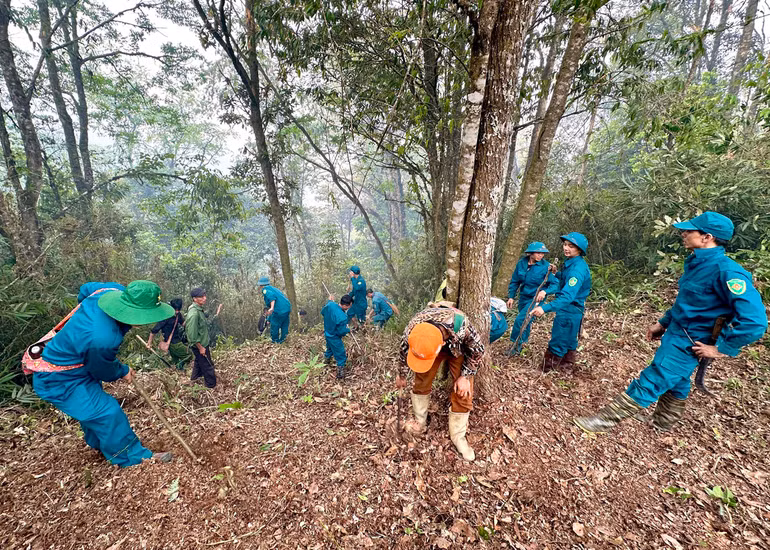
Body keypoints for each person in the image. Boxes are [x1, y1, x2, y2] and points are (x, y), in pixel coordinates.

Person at [575, 212, 767, 433]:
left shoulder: (727, 272)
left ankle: (602, 422)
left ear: (707, 237)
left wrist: (721, 348)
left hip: (691, 342)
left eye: (689, 231)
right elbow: (689, 301)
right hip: (677, 332)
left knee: (655, 377)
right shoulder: (696, 262)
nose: (683, 234)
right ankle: (663, 423)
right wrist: (663, 323)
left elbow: (755, 321)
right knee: (678, 380)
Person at [28, 281, 175, 467]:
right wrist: (123, 370)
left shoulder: (110, 291)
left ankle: (103, 444)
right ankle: (131, 457)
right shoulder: (103, 338)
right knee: (107, 412)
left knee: (93, 410)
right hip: (60, 378)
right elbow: (102, 369)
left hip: (79, 364)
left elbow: (85, 290)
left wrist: (85, 316)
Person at [396, 305, 485, 461]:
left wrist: (465, 376)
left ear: (441, 346)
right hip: (428, 346)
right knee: (422, 378)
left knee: (464, 390)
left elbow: (478, 351)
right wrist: (401, 375)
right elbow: (403, 353)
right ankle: (420, 421)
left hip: (457, 348)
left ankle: (458, 435)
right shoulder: (412, 330)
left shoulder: (462, 326)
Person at [531, 233, 592, 371]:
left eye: (571, 246)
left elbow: (567, 296)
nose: (566, 248)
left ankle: (547, 370)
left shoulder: (577, 270)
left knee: (559, 339)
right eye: (565, 244)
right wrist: (556, 273)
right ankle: (566, 368)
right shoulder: (573, 264)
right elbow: (565, 280)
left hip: (569, 309)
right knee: (570, 340)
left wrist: (544, 308)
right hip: (574, 310)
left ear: (580, 250)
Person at [506, 242, 559, 355]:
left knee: (521, 320)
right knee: (526, 321)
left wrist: (545, 291)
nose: (541, 255)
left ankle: (515, 347)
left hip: (536, 299)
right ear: (531, 253)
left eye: (543, 253)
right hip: (523, 297)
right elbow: (515, 281)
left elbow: (555, 284)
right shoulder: (522, 264)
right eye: (538, 253)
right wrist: (511, 297)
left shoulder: (546, 267)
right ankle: (522, 344)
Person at [146, 298, 191, 370]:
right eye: (175, 309)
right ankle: (179, 367)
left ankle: (178, 372)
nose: (176, 312)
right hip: (174, 343)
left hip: (177, 340)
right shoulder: (166, 316)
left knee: (176, 360)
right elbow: (154, 331)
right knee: (190, 356)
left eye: (178, 310)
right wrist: (149, 343)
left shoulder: (178, 315)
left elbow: (183, 323)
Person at [186, 287, 217, 388]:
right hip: (200, 345)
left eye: (204, 296)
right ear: (195, 299)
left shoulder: (198, 309)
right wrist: (200, 348)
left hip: (202, 343)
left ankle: (193, 382)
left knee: (199, 364)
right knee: (208, 367)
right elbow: (192, 334)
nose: (204, 298)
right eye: (201, 297)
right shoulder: (194, 313)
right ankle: (211, 386)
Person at [321, 294, 353, 379]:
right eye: (349, 306)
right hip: (334, 337)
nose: (349, 307)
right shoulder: (343, 317)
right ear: (346, 305)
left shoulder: (330, 305)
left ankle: (325, 363)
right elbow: (341, 332)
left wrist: (330, 300)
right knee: (341, 354)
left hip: (327, 333)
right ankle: (340, 373)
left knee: (329, 349)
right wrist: (348, 330)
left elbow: (323, 312)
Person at [258, 276, 292, 343]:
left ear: (261, 285)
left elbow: (272, 297)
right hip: (287, 308)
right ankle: (284, 340)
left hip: (279, 310)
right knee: (284, 324)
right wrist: (268, 318)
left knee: (274, 326)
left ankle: (275, 342)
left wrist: (272, 308)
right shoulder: (274, 288)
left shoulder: (265, 290)